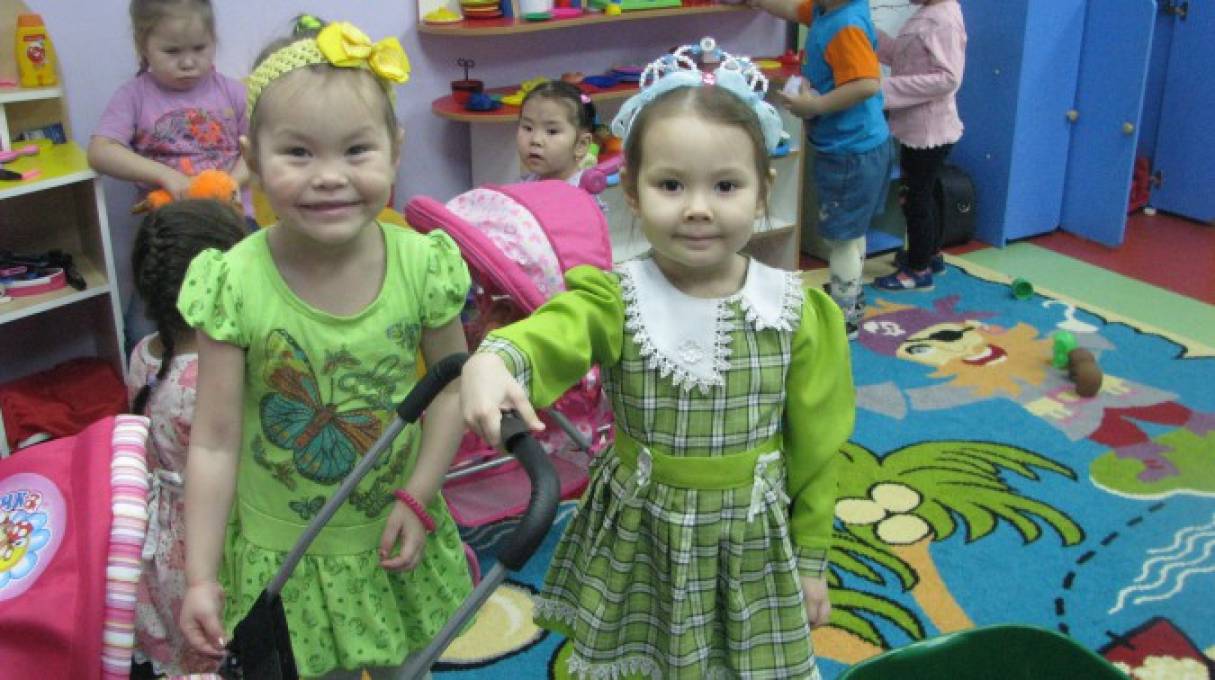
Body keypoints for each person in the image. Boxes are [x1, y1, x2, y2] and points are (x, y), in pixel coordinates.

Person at [461, 40, 855, 679]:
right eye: (671, 184)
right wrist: (495, 359)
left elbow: (818, 448)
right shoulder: (616, 297)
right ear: (634, 194)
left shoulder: (794, 310)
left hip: (750, 544)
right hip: (643, 537)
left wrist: (811, 556)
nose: (697, 207)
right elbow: (555, 331)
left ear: (762, 191)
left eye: (726, 185)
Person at [176, 18, 473, 679]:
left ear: (395, 152)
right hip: (282, 555)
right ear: (253, 161)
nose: (330, 177)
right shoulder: (232, 284)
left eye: (357, 150)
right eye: (299, 153)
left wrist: (420, 494)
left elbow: (453, 388)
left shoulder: (424, 265)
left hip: (396, 528)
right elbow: (215, 441)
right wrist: (200, 575)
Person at [125, 199, 247, 678]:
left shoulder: (144, 353)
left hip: (163, 537)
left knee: (190, 652)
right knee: (228, 644)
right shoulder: (216, 378)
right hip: (216, 536)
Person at [88, 0, 251, 351]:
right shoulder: (134, 95)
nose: (188, 62)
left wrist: (233, 181)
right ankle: (150, 380)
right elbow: (101, 151)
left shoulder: (233, 92)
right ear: (143, 46)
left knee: (247, 314)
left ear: (213, 40)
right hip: (167, 234)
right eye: (172, 51)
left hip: (231, 224)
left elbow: (259, 149)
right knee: (143, 329)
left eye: (199, 48)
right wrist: (165, 176)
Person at [753, 0, 894, 339]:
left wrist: (814, 105)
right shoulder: (826, 9)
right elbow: (791, 9)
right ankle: (851, 295)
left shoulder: (845, 25)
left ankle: (844, 318)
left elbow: (867, 84)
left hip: (850, 151)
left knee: (841, 238)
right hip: (860, 145)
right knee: (851, 233)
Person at [872, 0, 967, 291]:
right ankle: (929, 254)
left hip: (929, 130)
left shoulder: (943, 20)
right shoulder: (929, 14)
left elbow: (948, 78)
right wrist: (869, 36)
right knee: (923, 193)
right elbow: (905, 59)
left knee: (915, 198)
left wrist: (886, 89)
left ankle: (918, 269)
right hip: (920, 127)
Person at [516, 79, 597, 185]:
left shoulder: (581, 191)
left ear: (581, 145)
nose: (535, 140)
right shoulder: (527, 181)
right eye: (528, 128)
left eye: (552, 131)